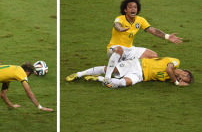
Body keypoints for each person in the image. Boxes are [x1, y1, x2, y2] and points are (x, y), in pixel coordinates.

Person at [100, 0, 182, 81]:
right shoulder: (120, 18)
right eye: (130, 7)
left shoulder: (140, 20)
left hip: (129, 49)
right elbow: (116, 24)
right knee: (119, 50)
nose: (133, 9)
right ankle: (107, 77)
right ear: (125, 10)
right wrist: (120, 28)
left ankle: (140, 70)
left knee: (153, 56)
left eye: (135, 7)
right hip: (114, 48)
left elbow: (153, 30)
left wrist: (167, 36)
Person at [65, 57, 193, 88]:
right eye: (183, 78)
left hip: (140, 76)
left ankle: (97, 78)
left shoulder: (169, 79)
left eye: (182, 81)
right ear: (185, 73)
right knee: (112, 70)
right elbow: (168, 69)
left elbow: (170, 75)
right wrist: (176, 83)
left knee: (122, 84)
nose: (181, 80)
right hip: (137, 64)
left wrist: (174, 81)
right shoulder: (176, 62)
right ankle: (79, 74)